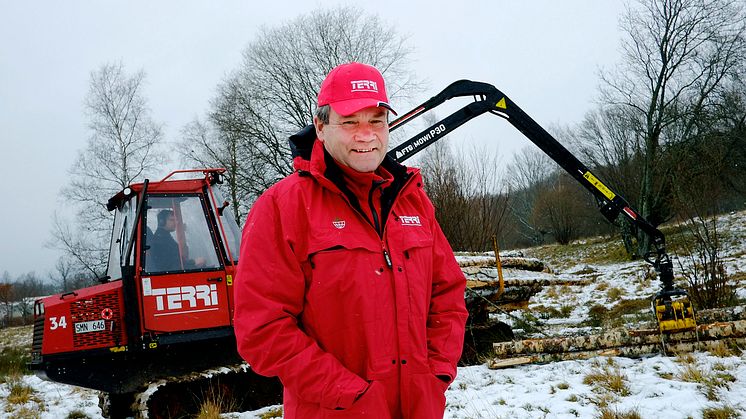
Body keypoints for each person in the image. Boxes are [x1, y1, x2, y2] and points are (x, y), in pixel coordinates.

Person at [234, 62, 468, 418]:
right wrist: (351, 395)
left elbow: (448, 295)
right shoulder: (284, 207)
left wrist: (434, 375)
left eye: (376, 120)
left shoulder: (413, 200)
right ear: (321, 127)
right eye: (349, 121)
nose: (366, 134)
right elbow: (262, 329)